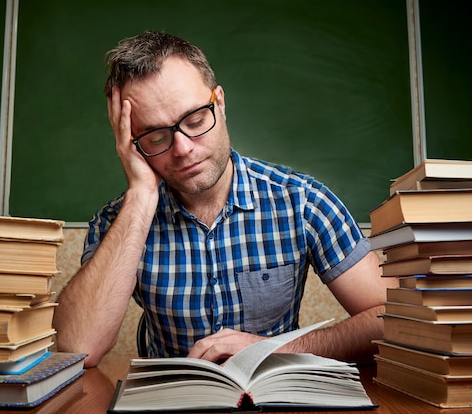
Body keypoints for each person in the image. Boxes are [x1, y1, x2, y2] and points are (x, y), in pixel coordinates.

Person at [54, 30, 397, 368]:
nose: (184, 149)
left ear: (219, 102)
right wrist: (142, 195)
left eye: (196, 119)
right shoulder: (117, 222)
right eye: (157, 137)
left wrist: (278, 349)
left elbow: (396, 317)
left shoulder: (303, 202)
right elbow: (78, 347)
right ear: (131, 142)